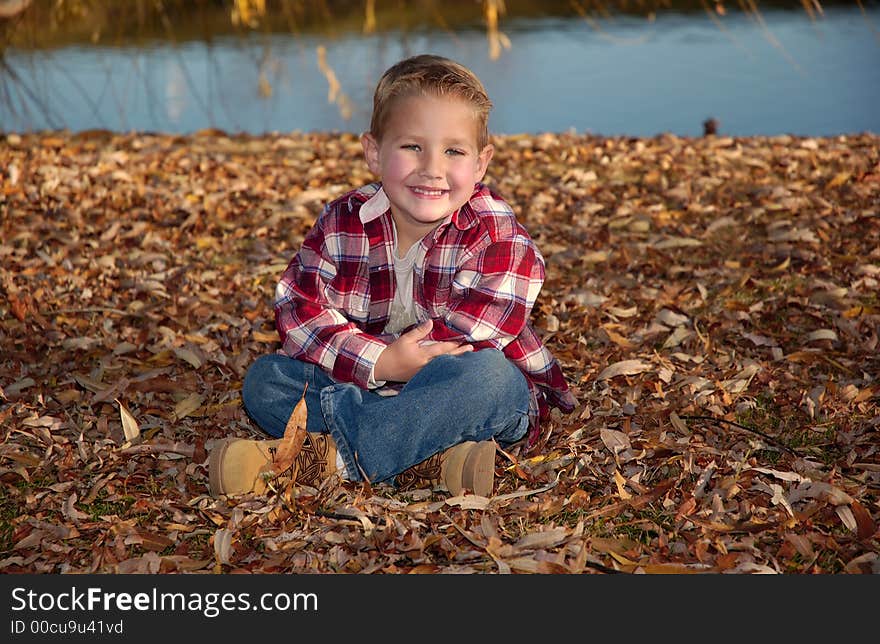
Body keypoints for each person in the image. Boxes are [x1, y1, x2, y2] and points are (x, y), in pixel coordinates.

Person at [208, 53, 576, 499]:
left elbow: (469, 341)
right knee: (267, 380)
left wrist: (398, 365)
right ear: (373, 152)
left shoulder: (495, 233)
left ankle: (326, 462)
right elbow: (299, 309)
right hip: (368, 387)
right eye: (412, 147)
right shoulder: (343, 221)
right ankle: (431, 461)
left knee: (489, 378)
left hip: (460, 392)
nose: (432, 168)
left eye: (453, 151)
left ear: (480, 165)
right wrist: (382, 363)